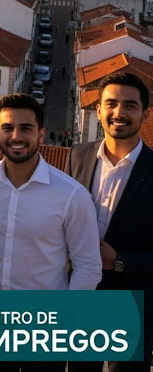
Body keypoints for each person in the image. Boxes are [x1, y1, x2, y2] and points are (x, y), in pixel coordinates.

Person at [0, 93, 102, 372]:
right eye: (8, 128)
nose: (16, 136)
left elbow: (89, 267)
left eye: (25, 128)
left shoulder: (71, 194)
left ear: (40, 134)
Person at [67, 72, 153, 372]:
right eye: (111, 104)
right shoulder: (77, 155)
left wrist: (118, 261)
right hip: (82, 295)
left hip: (132, 301)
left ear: (145, 113)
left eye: (130, 105)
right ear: (99, 109)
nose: (119, 113)